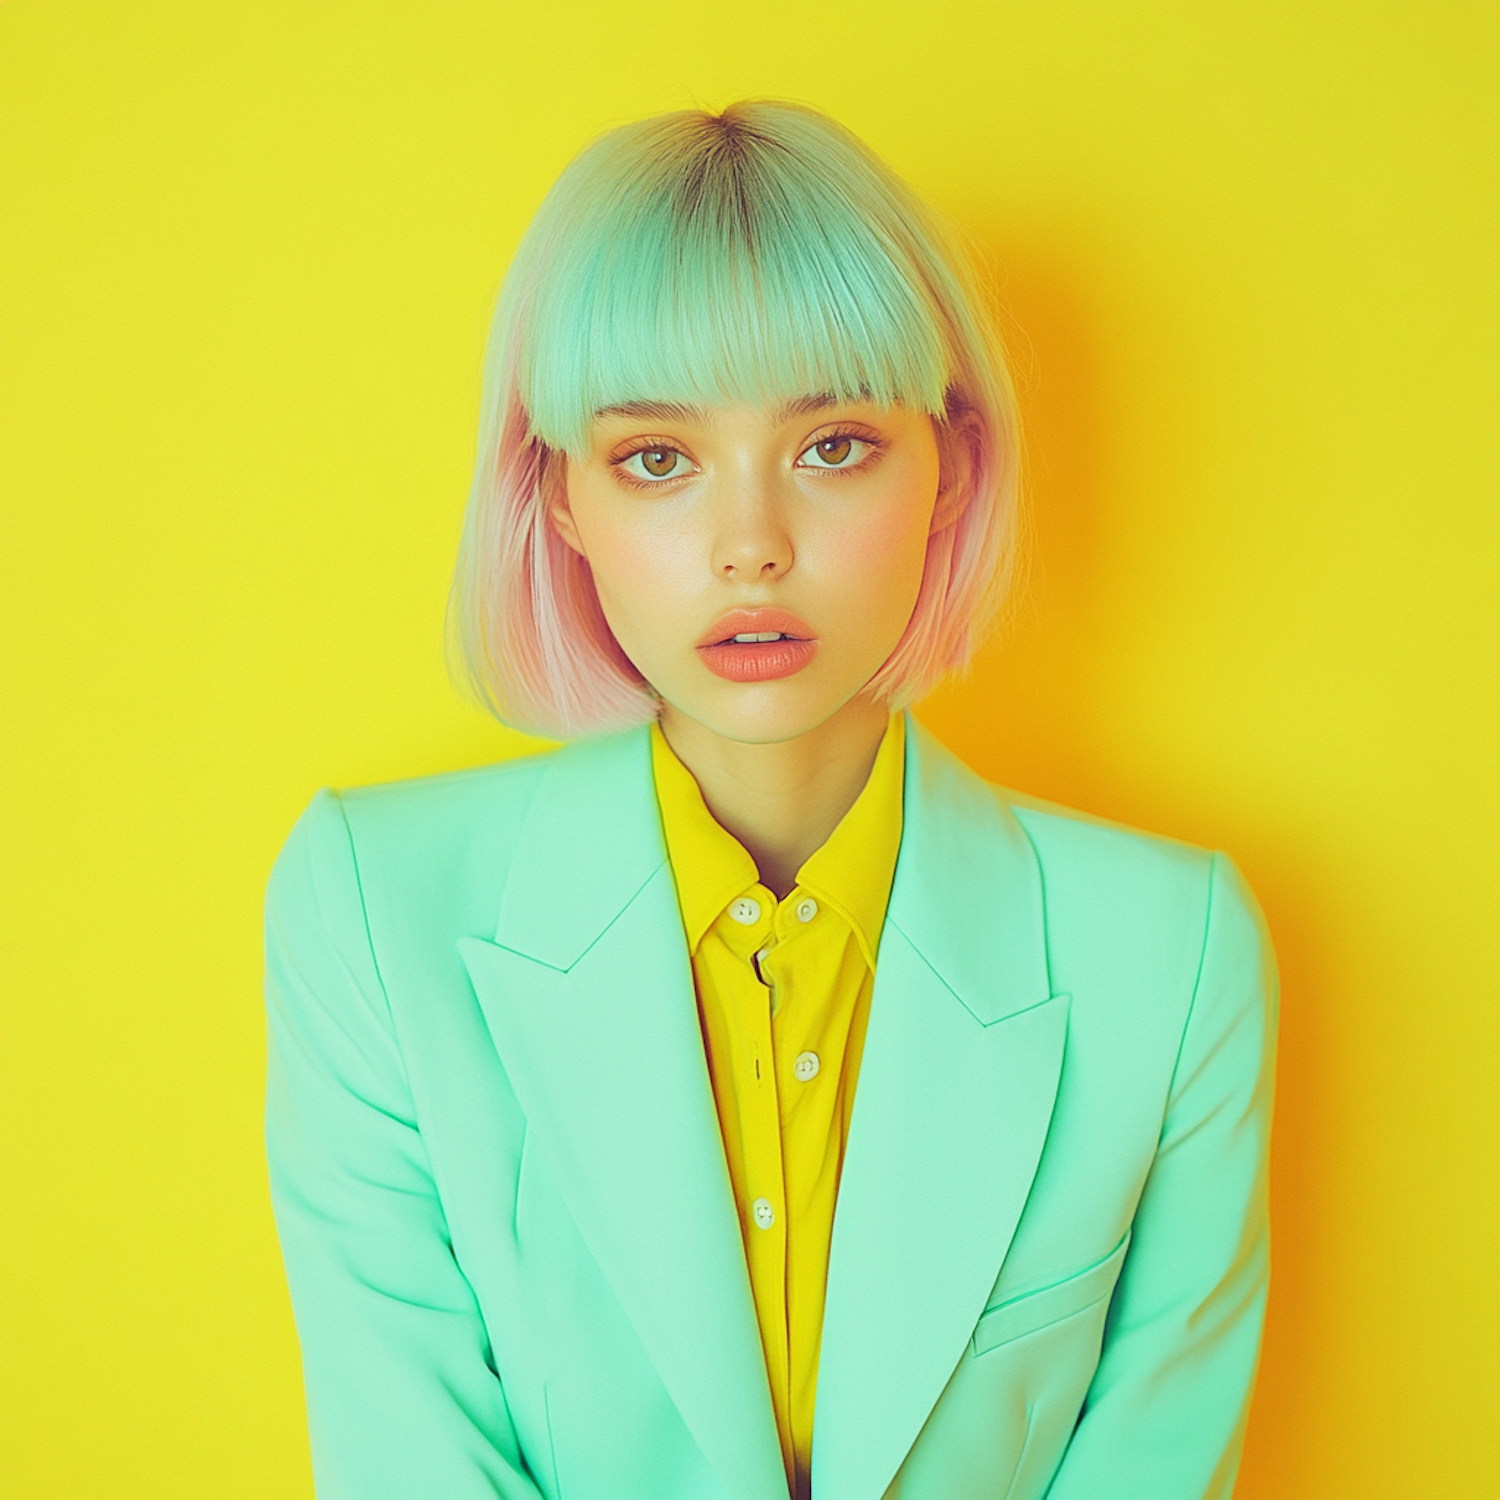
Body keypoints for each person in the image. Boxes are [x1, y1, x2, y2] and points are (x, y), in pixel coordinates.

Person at [264, 101, 1277, 1500]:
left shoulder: (1174, 954)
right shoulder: (372, 910)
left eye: (835, 445)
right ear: (557, 496)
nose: (752, 547)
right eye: (657, 460)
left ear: (952, 470)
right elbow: (406, 1449)